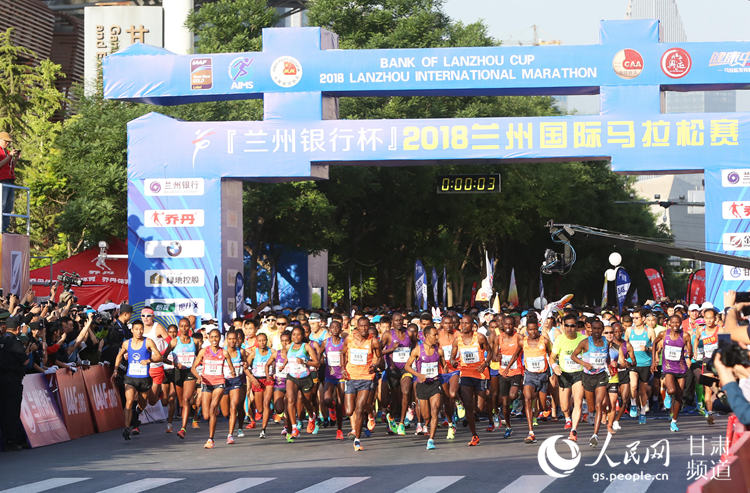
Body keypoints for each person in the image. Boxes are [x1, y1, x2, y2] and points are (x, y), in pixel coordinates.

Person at [112, 319, 163, 440]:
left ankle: (136, 413)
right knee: (129, 401)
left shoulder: (148, 342)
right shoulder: (126, 343)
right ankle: (126, 428)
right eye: (136, 329)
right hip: (130, 377)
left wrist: (149, 360)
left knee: (142, 403)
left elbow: (159, 356)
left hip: (144, 379)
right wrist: (115, 369)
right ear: (132, 330)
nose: (139, 332)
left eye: (141, 329)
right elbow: (119, 356)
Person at [342, 316, 382, 452]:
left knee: (359, 409)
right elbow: (342, 353)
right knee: (349, 410)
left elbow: (379, 357)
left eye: (366, 326)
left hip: (366, 378)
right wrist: (342, 369)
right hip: (351, 378)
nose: (364, 329)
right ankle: (369, 414)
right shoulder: (349, 339)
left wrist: (375, 365)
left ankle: (357, 440)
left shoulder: (373, 341)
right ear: (357, 327)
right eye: (361, 326)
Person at [191, 328, 236, 449]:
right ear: (209, 338)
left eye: (216, 337)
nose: (214, 339)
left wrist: (233, 372)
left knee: (212, 408)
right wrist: (198, 377)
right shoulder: (203, 352)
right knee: (206, 415)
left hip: (219, 383)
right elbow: (193, 368)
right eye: (212, 337)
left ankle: (211, 439)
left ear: (220, 339)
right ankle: (212, 417)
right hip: (206, 383)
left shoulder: (224, 353)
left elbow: (232, 368)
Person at [450, 314, 489, 447]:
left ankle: (478, 412)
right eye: (462, 323)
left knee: (479, 408)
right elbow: (452, 357)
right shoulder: (457, 340)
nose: (464, 326)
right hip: (466, 374)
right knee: (468, 406)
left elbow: (490, 352)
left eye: (466, 323)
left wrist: (485, 364)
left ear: (472, 325)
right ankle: (474, 435)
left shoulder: (480, 337)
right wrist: (453, 361)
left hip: (480, 374)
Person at [405, 325, 445, 450]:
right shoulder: (417, 350)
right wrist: (418, 375)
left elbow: (445, 366)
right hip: (422, 385)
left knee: (435, 410)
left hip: (435, 384)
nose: (437, 337)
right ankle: (425, 423)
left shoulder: (439, 351)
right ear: (427, 336)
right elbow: (407, 366)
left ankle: (431, 439)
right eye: (435, 335)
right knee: (426, 415)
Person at [571, 319, 610, 447]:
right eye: (595, 329)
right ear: (590, 329)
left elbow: (607, 356)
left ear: (602, 329)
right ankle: (591, 413)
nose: (597, 331)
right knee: (592, 407)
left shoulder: (606, 342)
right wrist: (584, 364)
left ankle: (595, 435)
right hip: (588, 377)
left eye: (599, 329)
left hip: (601, 376)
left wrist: (611, 364)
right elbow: (573, 356)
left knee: (599, 404)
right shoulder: (585, 343)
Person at [652, 314, 692, 432]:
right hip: (668, 368)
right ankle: (668, 395)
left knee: (679, 396)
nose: (675, 325)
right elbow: (654, 343)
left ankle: (674, 421)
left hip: (681, 368)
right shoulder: (664, 334)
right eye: (672, 322)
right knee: (672, 390)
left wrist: (688, 354)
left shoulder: (685, 336)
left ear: (680, 324)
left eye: (677, 323)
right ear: (669, 323)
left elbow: (689, 351)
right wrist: (654, 360)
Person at [281, 326, 320, 442]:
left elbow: (317, 363)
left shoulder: (306, 347)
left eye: (298, 335)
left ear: (303, 336)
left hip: (305, 378)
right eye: (293, 335)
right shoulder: (289, 346)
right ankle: (294, 428)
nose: (295, 337)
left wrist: (305, 361)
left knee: (306, 401)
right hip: (292, 377)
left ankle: (312, 416)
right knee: (290, 400)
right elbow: (287, 355)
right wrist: (284, 365)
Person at [550, 313, 586, 437]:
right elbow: (552, 358)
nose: (570, 328)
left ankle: (574, 430)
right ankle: (567, 418)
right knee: (564, 406)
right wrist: (555, 367)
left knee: (578, 402)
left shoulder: (583, 339)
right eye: (567, 326)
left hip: (578, 374)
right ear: (563, 326)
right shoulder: (560, 339)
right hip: (564, 374)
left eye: (573, 326)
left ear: (577, 326)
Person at [381, 312, 414, 435]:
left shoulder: (409, 333)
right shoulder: (388, 335)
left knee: (405, 392)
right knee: (395, 397)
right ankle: (392, 417)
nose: (399, 322)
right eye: (396, 320)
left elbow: (416, 347)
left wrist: (413, 359)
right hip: (393, 370)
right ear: (392, 322)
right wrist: (391, 349)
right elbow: (378, 350)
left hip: (406, 368)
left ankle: (401, 423)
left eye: (401, 320)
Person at [520, 316, 552, 445]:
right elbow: (516, 354)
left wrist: (554, 368)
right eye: (530, 330)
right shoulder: (523, 342)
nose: (532, 332)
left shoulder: (544, 341)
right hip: (530, 375)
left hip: (543, 375)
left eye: (534, 330)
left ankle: (547, 405)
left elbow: (551, 354)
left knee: (542, 405)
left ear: (538, 329)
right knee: (527, 399)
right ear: (526, 330)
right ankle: (531, 432)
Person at [0, 315, 27, 450]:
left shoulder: (1, 339)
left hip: (2, 380)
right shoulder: (15, 342)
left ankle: (6, 439)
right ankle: (12, 440)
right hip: (12, 381)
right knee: (12, 411)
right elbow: (25, 360)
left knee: (3, 410)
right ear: (17, 328)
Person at [495, 314, 523, 439]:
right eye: (506, 324)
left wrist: (508, 367)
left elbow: (517, 355)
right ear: (503, 325)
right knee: (505, 404)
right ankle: (508, 426)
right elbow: (495, 355)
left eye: (510, 324)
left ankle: (518, 394)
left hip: (515, 371)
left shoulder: (519, 337)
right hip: (503, 373)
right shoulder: (498, 338)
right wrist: (498, 357)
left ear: (514, 325)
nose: (508, 326)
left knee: (512, 395)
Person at [626, 309, 655, 424]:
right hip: (633, 362)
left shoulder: (650, 331)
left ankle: (642, 412)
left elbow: (655, 348)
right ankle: (633, 404)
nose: (634, 320)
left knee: (643, 390)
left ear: (643, 319)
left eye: (636, 318)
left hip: (645, 363)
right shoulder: (629, 330)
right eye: (633, 318)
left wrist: (647, 348)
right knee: (633, 386)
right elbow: (624, 345)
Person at [322, 320, 346, 440]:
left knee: (341, 403)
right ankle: (331, 408)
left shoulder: (344, 342)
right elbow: (318, 355)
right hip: (329, 376)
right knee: (327, 399)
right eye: (333, 327)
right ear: (329, 330)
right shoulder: (326, 342)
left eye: (338, 327)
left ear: (341, 329)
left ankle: (339, 429)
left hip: (341, 376)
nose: (335, 329)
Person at [222, 329, 247, 443]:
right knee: (225, 412)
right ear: (227, 340)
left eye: (234, 339)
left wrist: (245, 364)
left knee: (235, 406)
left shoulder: (241, 351)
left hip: (237, 381)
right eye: (230, 339)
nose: (232, 341)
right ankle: (233, 428)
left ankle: (230, 434)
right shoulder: (222, 352)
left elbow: (246, 364)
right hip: (224, 382)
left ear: (237, 340)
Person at [247, 333, 273, 438]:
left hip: (268, 379)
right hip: (257, 380)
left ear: (267, 341)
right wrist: (252, 378)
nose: (262, 343)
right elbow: (245, 368)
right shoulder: (254, 353)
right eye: (260, 341)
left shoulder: (272, 352)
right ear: (257, 342)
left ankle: (263, 429)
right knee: (260, 409)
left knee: (266, 403)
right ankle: (263, 413)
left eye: (264, 340)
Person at [0, 131, 18, 233]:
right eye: (6, 141)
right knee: (1, 204)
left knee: (8, 206)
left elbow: (11, 166)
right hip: (2, 180)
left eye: (8, 142)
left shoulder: (7, 151)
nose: (7, 143)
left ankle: (4, 229)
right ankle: (0, 228)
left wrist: (15, 159)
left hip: (10, 180)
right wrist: (9, 156)